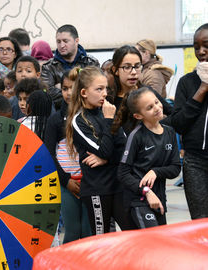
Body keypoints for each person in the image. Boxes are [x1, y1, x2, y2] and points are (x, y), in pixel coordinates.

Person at [66, 66, 128, 235]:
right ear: (84, 92)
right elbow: (107, 150)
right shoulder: (79, 121)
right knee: (102, 239)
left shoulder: (107, 112)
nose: (105, 94)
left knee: (131, 231)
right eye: (99, 89)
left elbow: (125, 149)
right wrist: (109, 122)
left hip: (118, 185)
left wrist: (105, 159)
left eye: (106, 88)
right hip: (97, 190)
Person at [118, 87, 181, 229]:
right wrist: (146, 191)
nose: (157, 108)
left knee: (160, 245)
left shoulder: (170, 132)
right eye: (149, 107)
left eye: (157, 102)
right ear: (138, 116)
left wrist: (156, 172)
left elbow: (176, 168)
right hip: (138, 200)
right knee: (152, 241)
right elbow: (123, 173)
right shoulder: (136, 136)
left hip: (159, 199)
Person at [45, 71, 91, 243]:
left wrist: (89, 178)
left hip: (89, 182)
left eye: (73, 88)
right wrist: (65, 181)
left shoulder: (90, 116)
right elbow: (49, 153)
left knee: (88, 231)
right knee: (72, 231)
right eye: (65, 88)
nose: (68, 93)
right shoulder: (55, 120)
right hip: (66, 183)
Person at [171, 23, 208, 220]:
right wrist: (202, 90)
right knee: (201, 221)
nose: (201, 52)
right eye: (196, 47)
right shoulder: (187, 82)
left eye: (206, 45)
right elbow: (178, 123)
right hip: (195, 162)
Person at [110, 45, 173, 133]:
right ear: (115, 70)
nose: (134, 72)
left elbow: (173, 114)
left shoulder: (146, 91)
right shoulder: (109, 97)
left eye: (137, 66)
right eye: (127, 67)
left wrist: (154, 125)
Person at [41, 24, 99, 110]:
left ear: (76, 41)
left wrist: (61, 87)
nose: (61, 45)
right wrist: (80, 91)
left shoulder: (91, 63)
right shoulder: (48, 67)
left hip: (88, 112)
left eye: (65, 41)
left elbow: (96, 90)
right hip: (60, 113)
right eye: (58, 41)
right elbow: (47, 94)